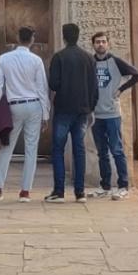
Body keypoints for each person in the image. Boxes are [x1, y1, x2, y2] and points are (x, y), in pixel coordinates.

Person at [0, 26, 47, 201]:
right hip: (33, 105)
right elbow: (42, 89)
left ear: (17, 38)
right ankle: (25, 191)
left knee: (7, 146)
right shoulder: (36, 60)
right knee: (31, 149)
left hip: (13, 105)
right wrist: (46, 114)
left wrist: (2, 104)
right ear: (32, 39)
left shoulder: (5, 59)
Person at [45, 23, 97, 202]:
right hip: (82, 109)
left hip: (64, 109)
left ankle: (59, 191)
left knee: (58, 149)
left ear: (64, 37)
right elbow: (93, 86)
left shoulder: (59, 57)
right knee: (79, 149)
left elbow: (53, 84)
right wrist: (91, 107)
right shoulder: (89, 58)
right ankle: (80, 192)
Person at [88, 31, 138, 200]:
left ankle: (123, 185)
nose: (101, 44)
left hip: (112, 114)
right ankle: (104, 186)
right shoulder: (90, 63)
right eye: (98, 42)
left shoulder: (116, 62)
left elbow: (137, 75)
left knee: (117, 150)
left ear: (108, 44)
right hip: (96, 114)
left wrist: (121, 89)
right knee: (101, 152)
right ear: (93, 45)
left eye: (103, 42)